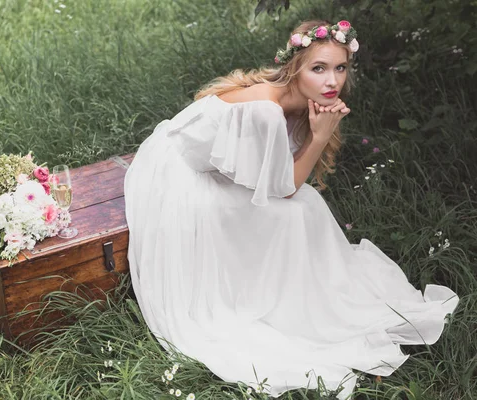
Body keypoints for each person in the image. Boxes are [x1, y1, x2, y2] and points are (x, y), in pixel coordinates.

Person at [123, 19, 458, 399]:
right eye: (319, 68)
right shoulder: (268, 107)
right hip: (179, 174)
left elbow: (283, 181)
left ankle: (315, 297)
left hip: (213, 169)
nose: (332, 81)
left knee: (305, 208)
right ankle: (285, 302)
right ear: (295, 68)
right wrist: (319, 137)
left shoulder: (301, 104)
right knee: (296, 209)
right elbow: (285, 189)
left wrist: (315, 133)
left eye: (340, 68)